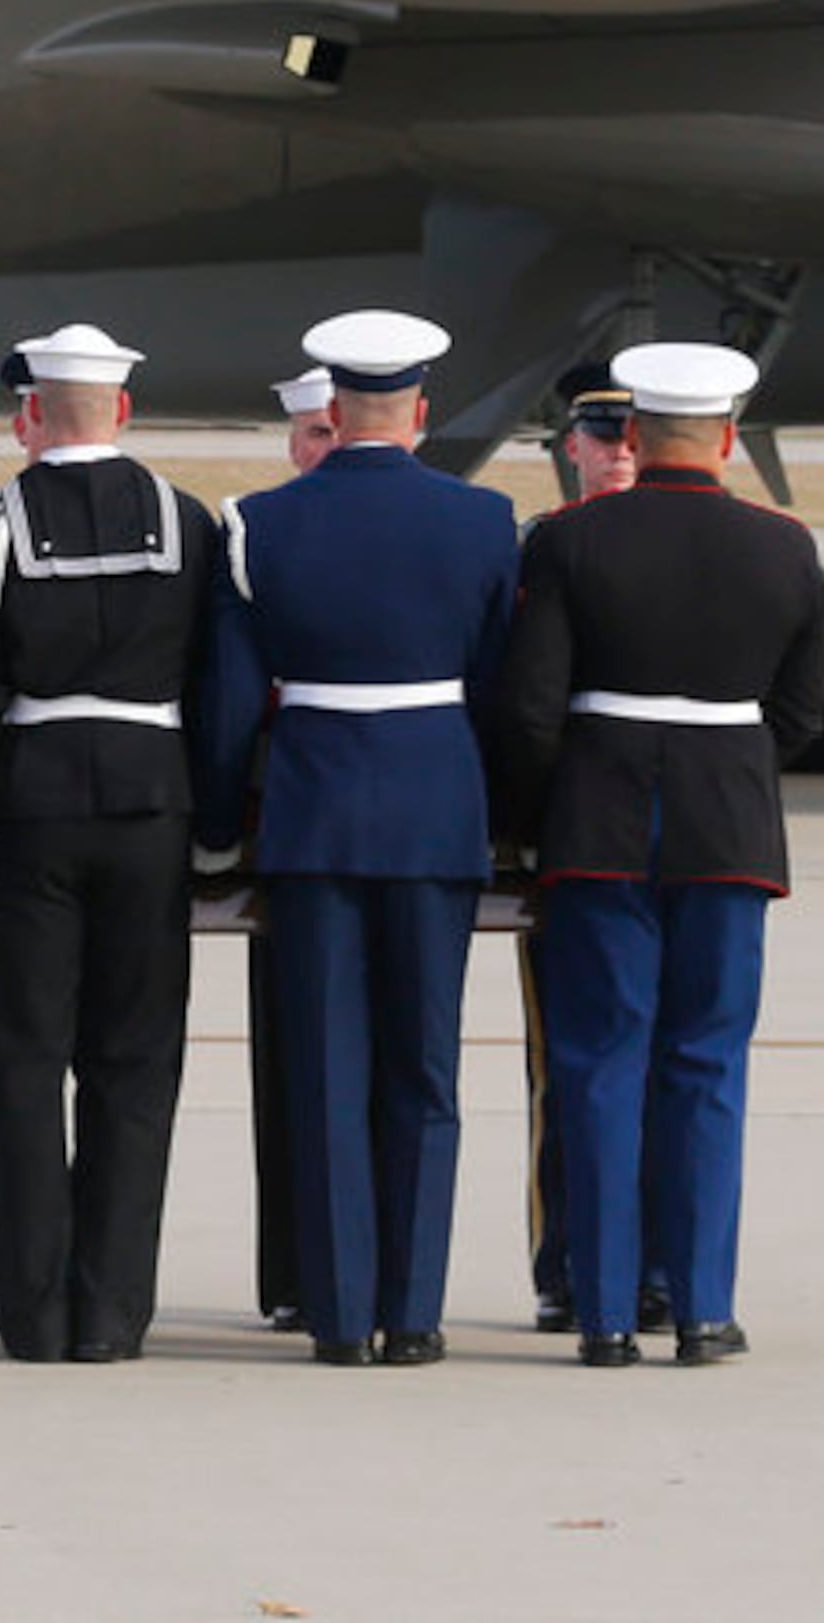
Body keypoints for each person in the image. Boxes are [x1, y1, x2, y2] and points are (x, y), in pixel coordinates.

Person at [493, 341, 824, 1368]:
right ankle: (700, 1306)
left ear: (630, 436)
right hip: (726, 828)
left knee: (597, 1065)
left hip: (599, 827)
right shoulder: (786, 546)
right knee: (708, 1065)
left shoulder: (571, 541)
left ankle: (600, 1312)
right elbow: (805, 717)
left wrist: (545, 808)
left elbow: (532, 710)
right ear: (728, 438)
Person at [202, 312, 520, 1367]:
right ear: (422, 414)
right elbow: (502, 688)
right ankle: (415, 1310)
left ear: (331, 414)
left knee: (327, 1070)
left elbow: (233, 707)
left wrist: (214, 832)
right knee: (424, 1071)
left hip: (314, 817)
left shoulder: (260, 521)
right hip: (434, 812)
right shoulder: (483, 522)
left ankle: (339, 1315)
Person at [0, 323, 221, 1365]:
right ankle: (114, 1311)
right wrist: (216, 826)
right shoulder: (190, 524)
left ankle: (32, 1301)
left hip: (34, 809)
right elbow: (219, 686)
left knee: (20, 1059)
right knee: (135, 1064)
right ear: (124, 411)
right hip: (153, 806)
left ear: (29, 415)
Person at [519, 360, 653, 1333]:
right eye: (599, 437)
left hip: (648, 839)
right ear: (570, 446)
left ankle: (653, 1263)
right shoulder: (541, 548)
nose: (614, 453)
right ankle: (571, 1260)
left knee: (667, 1065)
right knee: (570, 1068)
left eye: (631, 436)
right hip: (576, 841)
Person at [244, 363, 338, 1332]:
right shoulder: (256, 534)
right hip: (288, 821)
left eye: (334, 429)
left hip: (360, 821)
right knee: (291, 1066)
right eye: (310, 433)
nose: (324, 446)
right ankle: (294, 1273)